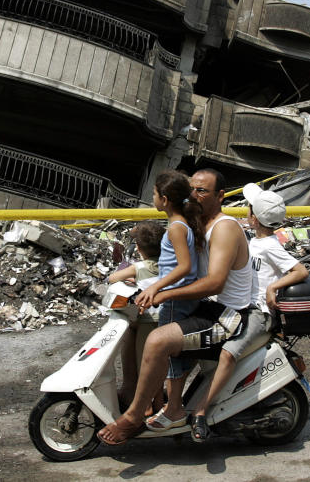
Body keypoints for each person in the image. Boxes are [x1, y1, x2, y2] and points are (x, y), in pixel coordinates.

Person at [97, 167, 255, 446]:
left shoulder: (225, 228)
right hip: (205, 307)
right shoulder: (194, 223)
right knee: (149, 329)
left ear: (220, 196)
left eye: (202, 190)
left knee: (158, 341)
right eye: (192, 188)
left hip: (226, 315)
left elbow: (215, 283)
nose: (194, 195)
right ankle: (165, 405)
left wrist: (163, 293)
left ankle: (135, 416)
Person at [184, 182, 309, 439]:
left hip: (258, 314)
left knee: (228, 355)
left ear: (253, 217)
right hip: (236, 307)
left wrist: (273, 286)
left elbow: (300, 271)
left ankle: (201, 412)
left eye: (249, 209)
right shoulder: (251, 241)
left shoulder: (271, 246)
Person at [133, 170, 205, 428]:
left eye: (153, 193)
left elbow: (184, 267)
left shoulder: (176, 228)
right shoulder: (181, 224)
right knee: (177, 353)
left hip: (175, 300)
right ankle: (173, 404)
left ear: (164, 199)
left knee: (170, 354)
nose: (152, 197)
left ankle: (173, 409)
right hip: (178, 298)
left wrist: (156, 289)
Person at [106, 220, 166, 412]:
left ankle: (146, 405)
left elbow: (111, 278)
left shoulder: (140, 267)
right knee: (134, 343)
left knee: (144, 364)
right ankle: (131, 391)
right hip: (161, 318)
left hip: (148, 321)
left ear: (138, 248)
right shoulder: (169, 264)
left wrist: (130, 278)